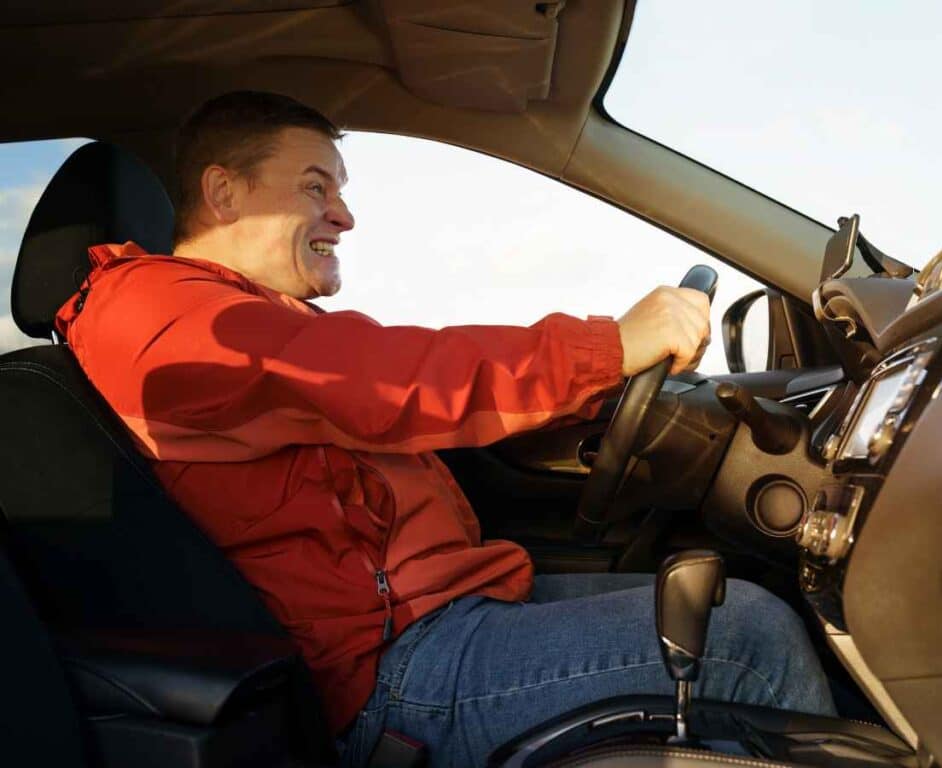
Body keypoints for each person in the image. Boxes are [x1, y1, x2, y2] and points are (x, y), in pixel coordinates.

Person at [55, 91, 834, 767]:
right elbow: (383, 376)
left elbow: (394, 386)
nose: (344, 214)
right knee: (748, 639)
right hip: (396, 673)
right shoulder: (155, 310)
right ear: (224, 193)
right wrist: (607, 346)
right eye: (314, 185)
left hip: (444, 614)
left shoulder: (241, 314)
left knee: (739, 593)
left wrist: (601, 391)